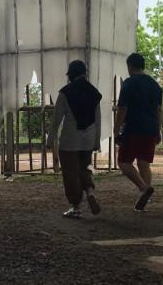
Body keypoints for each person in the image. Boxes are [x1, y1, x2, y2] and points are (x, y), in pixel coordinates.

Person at [47, 60, 102, 219]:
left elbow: (56, 119)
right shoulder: (94, 92)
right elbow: (97, 119)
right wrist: (96, 141)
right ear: (84, 73)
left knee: (71, 173)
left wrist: (50, 139)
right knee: (83, 168)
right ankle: (90, 191)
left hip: (70, 139)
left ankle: (76, 207)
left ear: (70, 75)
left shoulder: (65, 93)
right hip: (88, 139)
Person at [113, 53, 163, 211]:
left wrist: (116, 130)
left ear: (130, 66)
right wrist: (157, 130)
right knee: (144, 163)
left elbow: (122, 109)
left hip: (134, 128)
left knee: (124, 162)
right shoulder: (154, 85)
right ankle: (145, 198)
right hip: (150, 129)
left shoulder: (128, 84)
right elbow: (158, 110)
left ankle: (143, 188)